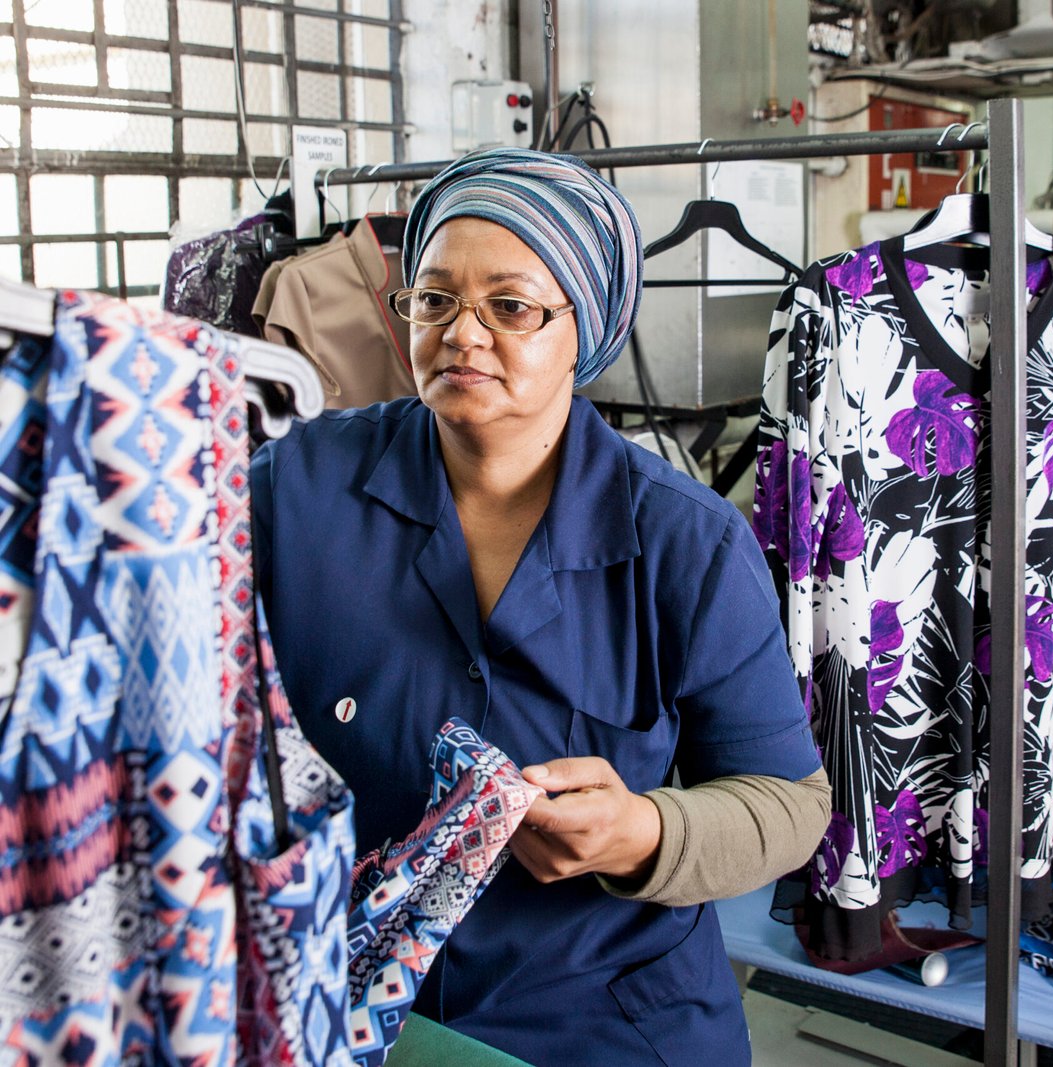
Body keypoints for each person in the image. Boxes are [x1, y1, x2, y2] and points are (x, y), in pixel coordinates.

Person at [250, 148, 831, 1065]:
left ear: (584, 328)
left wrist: (643, 830)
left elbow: (788, 806)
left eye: (510, 307)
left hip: (602, 1018)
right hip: (346, 1002)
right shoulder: (299, 486)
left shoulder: (687, 542)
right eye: (433, 299)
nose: (461, 334)